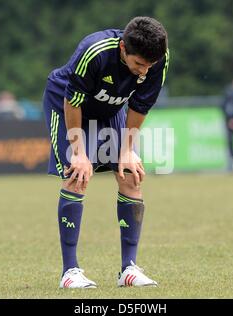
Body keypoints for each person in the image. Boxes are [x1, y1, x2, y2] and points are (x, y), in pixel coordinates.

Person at [42, 17, 169, 288]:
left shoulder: (158, 59)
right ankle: (70, 272)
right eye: (138, 65)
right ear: (123, 48)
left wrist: (127, 151)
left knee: (130, 175)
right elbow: (72, 100)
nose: (143, 72)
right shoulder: (94, 52)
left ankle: (129, 269)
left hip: (110, 108)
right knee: (77, 175)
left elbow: (140, 106)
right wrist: (78, 152)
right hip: (68, 105)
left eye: (149, 66)